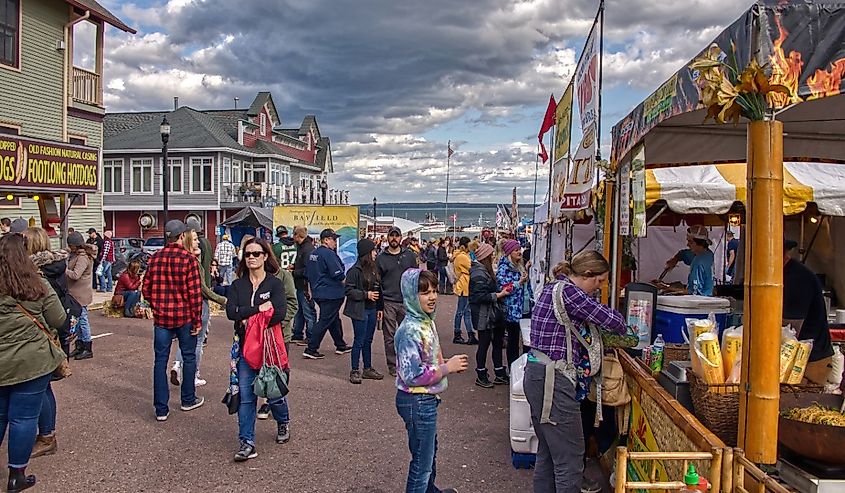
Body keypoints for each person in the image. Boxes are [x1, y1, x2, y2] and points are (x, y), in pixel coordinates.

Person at [525, 251, 627, 493]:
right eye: (599, 281)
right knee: (570, 459)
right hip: (554, 380)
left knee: (548, 454)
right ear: (588, 275)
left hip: (537, 373)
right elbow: (614, 321)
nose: (599, 287)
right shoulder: (571, 293)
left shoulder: (554, 287)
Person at [0, 233, 67, 492]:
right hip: (32, 360)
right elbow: (59, 318)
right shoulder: (36, 284)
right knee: (24, 418)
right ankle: (17, 474)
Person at [395, 269, 468, 493]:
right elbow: (412, 375)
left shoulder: (425, 321)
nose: (433, 297)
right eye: (425, 292)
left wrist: (444, 364)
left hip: (425, 399)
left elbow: (426, 360)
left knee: (428, 456)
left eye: (435, 291)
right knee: (422, 464)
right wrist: (447, 367)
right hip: (416, 400)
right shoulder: (410, 329)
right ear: (410, 295)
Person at [225, 237, 290, 460]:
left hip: (269, 348)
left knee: (273, 394)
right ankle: (247, 443)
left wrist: (248, 316)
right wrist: (259, 310)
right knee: (246, 396)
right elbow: (231, 312)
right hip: (245, 348)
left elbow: (279, 313)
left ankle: (283, 421)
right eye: (248, 254)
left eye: (256, 253)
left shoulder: (275, 284)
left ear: (265, 256)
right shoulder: (237, 285)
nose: (251, 257)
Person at [142, 220, 205, 421]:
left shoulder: (155, 258)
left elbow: (146, 289)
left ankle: (161, 408)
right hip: (184, 316)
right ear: (181, 236)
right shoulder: (189, 260)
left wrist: (156, 305)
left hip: (162, 318)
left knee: (160, 361)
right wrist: (197, 321)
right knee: (188, 357)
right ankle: (188, 399)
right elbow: (195, 295)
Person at [21, 227, 75, 459]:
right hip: (50, 332)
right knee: (44, 386)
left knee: (41, 387)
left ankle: (46, 436)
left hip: (43, 333)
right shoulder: (55, 267)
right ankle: (45, 434)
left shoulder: (38, 273)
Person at [171, 229, 227, 388]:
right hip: (198, 303)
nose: (198, 242)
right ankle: (193, 375)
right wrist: (222, 300)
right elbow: (202, 287)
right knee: (197, 342)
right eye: (195, 239)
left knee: (185, 340)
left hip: (182, 305)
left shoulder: (179, 260)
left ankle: (177, 364)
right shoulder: (193, 262)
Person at [783, 238, 834, 385]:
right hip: (799, 357)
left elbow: (790, 330)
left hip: (809, 361)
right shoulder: (786, 274)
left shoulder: (797, 278)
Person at [256, 246, 298, 421]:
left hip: (280, 332)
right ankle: (268, 399)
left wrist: (280, 322)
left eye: (257, 254)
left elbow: (293, 303)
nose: (252, 258)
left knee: (279, 369)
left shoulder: (284, 276)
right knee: (261, 367)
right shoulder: (252, 278)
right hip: (258, 332)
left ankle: (274, 401)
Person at [377, 226, 420, 376]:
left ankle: (407, 363)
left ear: (401, 238)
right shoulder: (381, 258)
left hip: (406, 301)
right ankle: (393, 365)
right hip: (388, 301)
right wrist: (379, 306)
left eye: (396, 236)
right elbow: (378, 282)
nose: (394, 239)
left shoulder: (409, 255)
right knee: (390, 336)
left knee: (408, 335)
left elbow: (415, 277)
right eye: (391, 236)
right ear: (387, 238)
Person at [303, 228, 351, 359]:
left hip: (319, 292)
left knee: (333, 319)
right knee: (325, 320)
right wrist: (351, 286)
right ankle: (311, 348)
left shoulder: (313, 254)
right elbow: (338, 274)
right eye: (333, 239)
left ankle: (340, 345)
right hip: (331, 293)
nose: (335, 242)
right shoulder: (329, 254)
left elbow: (307, 275)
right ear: (326, 240)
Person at [469, 242, 511, 388]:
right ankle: (481, 374)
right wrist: (499, 295)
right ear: (485, 257)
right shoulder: (479, 273)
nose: (493, 257)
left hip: (491, 314)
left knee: (496, 343)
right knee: (484, 344)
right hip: (484, 315)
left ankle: (498, 372)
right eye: (491, 255)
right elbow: (478, 297)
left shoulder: (481, 271)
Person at [345, 238, 385, 384]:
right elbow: (348, 290)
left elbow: (378, 289)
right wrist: (365, 295)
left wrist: (380, 307)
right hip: (360, 310)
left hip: (372, 309)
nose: (376, 253)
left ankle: (367, 368)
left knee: (368, 340)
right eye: (373, 251)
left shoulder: (374, 269)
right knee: (359, 340)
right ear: (366, 253)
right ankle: (355, 369)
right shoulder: (354, 271)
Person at [497, 239, 528, 366]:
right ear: (509, 252)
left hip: (524, 308)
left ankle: (525, 367)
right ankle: (513, 367)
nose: (519, 252)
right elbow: (504, 288)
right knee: (513, 341)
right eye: (516, 250)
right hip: (512, 310)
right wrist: (519, 283)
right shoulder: (504, 268)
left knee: (526, 340)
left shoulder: (519, 266)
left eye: (519, 249)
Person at [65, 232, 95, 360]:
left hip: (81, 294)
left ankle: (87, 347)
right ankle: (79, 346)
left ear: (75, 245)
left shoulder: (82, 258)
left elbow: (76, 275)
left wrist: (62, 270)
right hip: (75, 293)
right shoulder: (76, 255)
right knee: (77, 322)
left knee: (83, 321)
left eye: (70, 245)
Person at [664, 225, 715, 296]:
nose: (687, 244)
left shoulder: (698, 262)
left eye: (690, 242)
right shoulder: (708, 254)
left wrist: (668, 288)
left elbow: (694, 292)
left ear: (700, 243)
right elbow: (683, 254)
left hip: (700, 301)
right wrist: (675, 259)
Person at [291, 226, 316, 345]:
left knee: (308, 312)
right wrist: (295, 266)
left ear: (297, 235)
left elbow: (309, 270)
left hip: (305, 286)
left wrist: (294, 272)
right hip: (300, 284)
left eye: (293, 234)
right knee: (299, 310)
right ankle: (297, 333)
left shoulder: (307, 249)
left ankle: (311, 336)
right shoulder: (303, 248)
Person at [451, 236, 477, 345]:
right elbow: (472, 265)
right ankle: (458, 333)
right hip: (464, 286)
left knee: (466, 312)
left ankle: (469, 334)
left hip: (464, 286)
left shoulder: (461, 255)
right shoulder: (462, 257)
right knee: (462, 311)